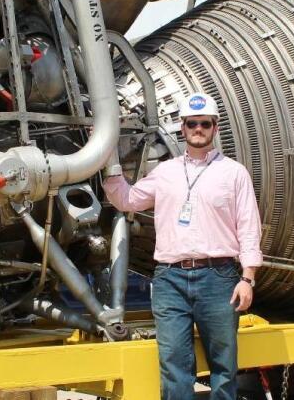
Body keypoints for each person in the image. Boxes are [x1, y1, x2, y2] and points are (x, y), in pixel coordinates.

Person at [103, 92, 263, 400]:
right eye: (192, 123)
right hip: (170, 280)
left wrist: (247, 278)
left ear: (215, 127)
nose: (198, 129)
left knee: (224, 367)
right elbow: (127, 199)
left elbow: (249, 228)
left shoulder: (233, 173)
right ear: (182, 127)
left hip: (219, 279)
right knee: (174, 366)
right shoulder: (166, 172)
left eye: (205, 123)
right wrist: (109, 162)